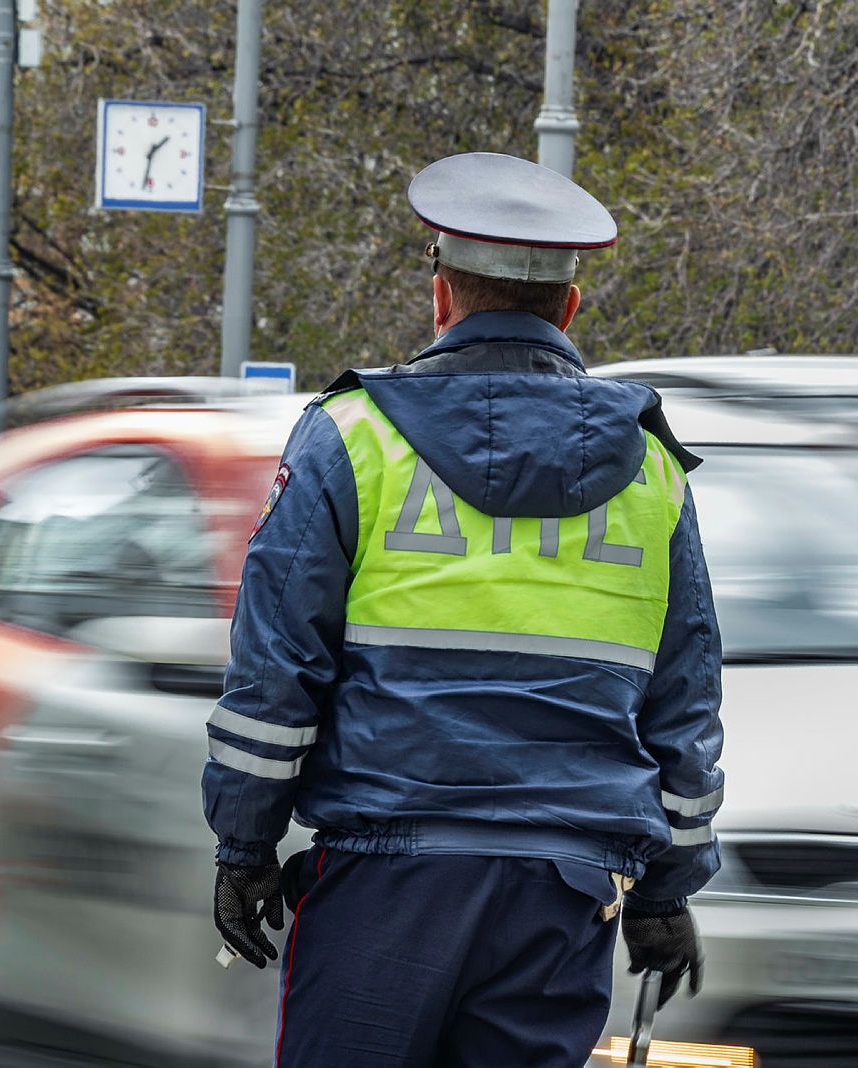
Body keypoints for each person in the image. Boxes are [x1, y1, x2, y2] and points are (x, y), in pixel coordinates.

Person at [202, 151, 724, 1067]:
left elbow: (274, 677)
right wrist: (665, 895)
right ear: (568, 310)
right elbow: (684, 708)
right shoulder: (653, 474)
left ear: (441, 297)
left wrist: (244, 846)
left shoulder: (349, 440)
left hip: (381, 886)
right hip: (561, 901)